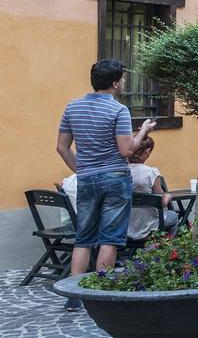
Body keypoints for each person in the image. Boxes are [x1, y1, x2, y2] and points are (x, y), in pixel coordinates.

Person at [56, 59, 156, 310]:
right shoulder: (118, 110)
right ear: (114, 82)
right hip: (115, 179)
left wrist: (83, 170)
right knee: (109, 237)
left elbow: (61, 147)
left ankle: (73, 296)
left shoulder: (73, 106)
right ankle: (101, 291)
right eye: (121, 79)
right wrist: (142, 131)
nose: (123, 83)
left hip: (87, 179)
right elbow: (126, 150)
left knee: (84, 237)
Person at [126, 137, 178, 241]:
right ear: (147, 151)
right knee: (174, 216)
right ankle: (166, 249)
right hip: (150, 223)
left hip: (126, 225)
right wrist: (167, 197)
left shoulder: (121, 171)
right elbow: (161, 203)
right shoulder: (151, 173)